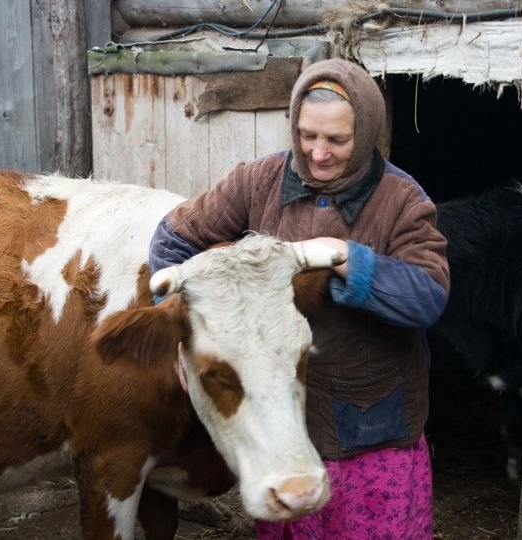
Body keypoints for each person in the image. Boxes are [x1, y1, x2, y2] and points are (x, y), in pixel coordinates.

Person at [149, 57, 450, 539]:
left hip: (369, 424)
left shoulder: (402, 200)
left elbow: (428, 298)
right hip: (282, 421)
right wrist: (183, 337)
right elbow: (173, 238)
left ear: (366, 133)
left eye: (337, 140)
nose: (319, 153)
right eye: (307, 135)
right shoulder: (258, 181)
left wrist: (347, 258)